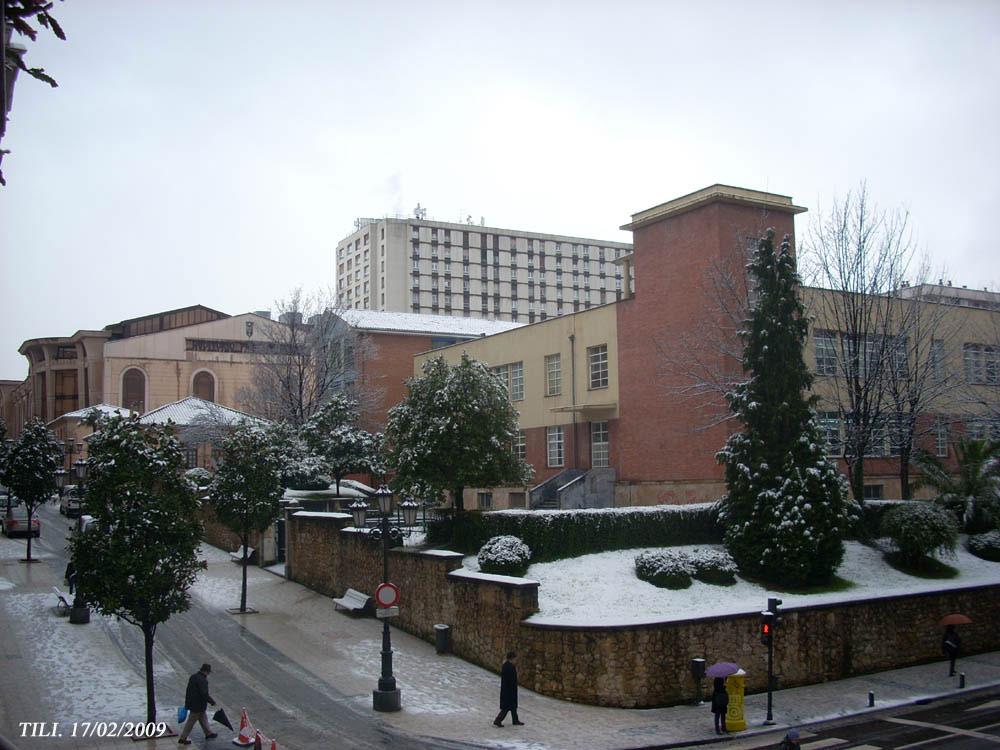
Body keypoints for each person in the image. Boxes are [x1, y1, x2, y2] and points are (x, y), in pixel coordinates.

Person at [178, 663, 217, 745]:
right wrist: (212, 701)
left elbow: (188, 690)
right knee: (191, 722)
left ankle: (208, 733)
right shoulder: (203, 680)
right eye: (209, 672)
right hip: (198, 705)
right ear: (206, 672)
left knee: (203, 718)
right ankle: (183, 738)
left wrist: (187, 703)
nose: (209, 674)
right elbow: (204, 694)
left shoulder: (193, 677)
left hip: (193, 703)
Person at [493, 651, 524, 727]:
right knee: (506, 707)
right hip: (509, 690)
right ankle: (498, 720)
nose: (516, 661)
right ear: (512, 658)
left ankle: (515, 720)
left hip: (508, 690)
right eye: (515, 659)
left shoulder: (506, 666)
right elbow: (511, 680)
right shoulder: (510, 667)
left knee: (513, 707)